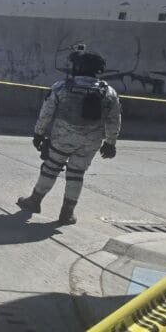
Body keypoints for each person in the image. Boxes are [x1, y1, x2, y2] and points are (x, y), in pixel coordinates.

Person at [16, 49, 121, 225]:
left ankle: (34, 201)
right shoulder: (109, 92)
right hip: (91, 141)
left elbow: (46, 113)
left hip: (63, 138)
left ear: (78, 67)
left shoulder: (61, 87)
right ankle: (67, 213)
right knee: (76, 174)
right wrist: (110, 143)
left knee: (50, 168)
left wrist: (39, 133)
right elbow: (114, 119)